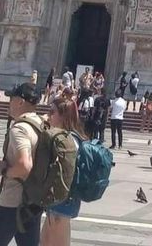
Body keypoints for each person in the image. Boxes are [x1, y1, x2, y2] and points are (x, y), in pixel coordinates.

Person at [0, 83, 42, 245]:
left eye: (12, 99)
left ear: (20, 102)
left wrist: (4, 171)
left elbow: (25, 166)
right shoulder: (42, 124)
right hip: (33, 200)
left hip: (12, 201)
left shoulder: (20, 129)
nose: (9, 102)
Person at [40, 98, 86, 246]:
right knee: (45, 241)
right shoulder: (64, 137)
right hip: (57, 199)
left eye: (52, 112)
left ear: (63, 116)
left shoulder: (68, 140)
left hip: (63, 200)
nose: (48, 115)